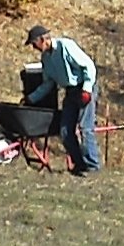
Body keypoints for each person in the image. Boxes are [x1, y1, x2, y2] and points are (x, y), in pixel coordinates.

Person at [24, 24, 100, 174]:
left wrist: (86, 89)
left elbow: (89, 66)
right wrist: (31, 98)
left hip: (84, 86)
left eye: (34, 43)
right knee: (65, 130)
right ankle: (79, 165)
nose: (34, 47)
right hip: (71, 91)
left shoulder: (66, 46)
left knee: (85, 128)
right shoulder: (46, 58)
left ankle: (93, 165)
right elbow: (48, 83)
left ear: (42, 40)